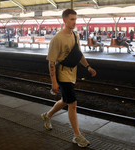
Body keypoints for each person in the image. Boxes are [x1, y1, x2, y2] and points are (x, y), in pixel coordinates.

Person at [41, 9, 96, 148]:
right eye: (71, 19)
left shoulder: (75, 36)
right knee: (73, 103)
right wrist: (54, 81)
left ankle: (47, 116)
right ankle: (77, 136)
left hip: (73, 74)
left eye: (75, 19)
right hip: (62, 74)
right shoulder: (57, 38)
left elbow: (79, 54)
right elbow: (51, 62)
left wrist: (88, 66)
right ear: (64, 20)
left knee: (65, 100)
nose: (74, 22)